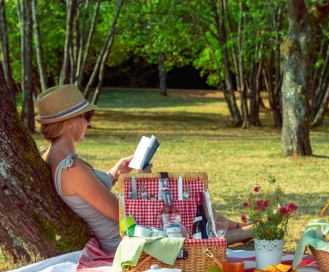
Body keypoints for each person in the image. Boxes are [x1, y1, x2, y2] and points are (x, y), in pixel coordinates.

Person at [36, 85, 251, 251]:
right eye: (87, 117)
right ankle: (255, 229)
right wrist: (140, 180)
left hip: (133, 232)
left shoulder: (52, 155)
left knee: (193, 209)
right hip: (131, 240)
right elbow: (122, 215)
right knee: (190, 218)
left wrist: (114, 174)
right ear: (71, 122)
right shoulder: (72, 169)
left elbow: (88, 195)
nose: (89, 123)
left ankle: (248, 227)